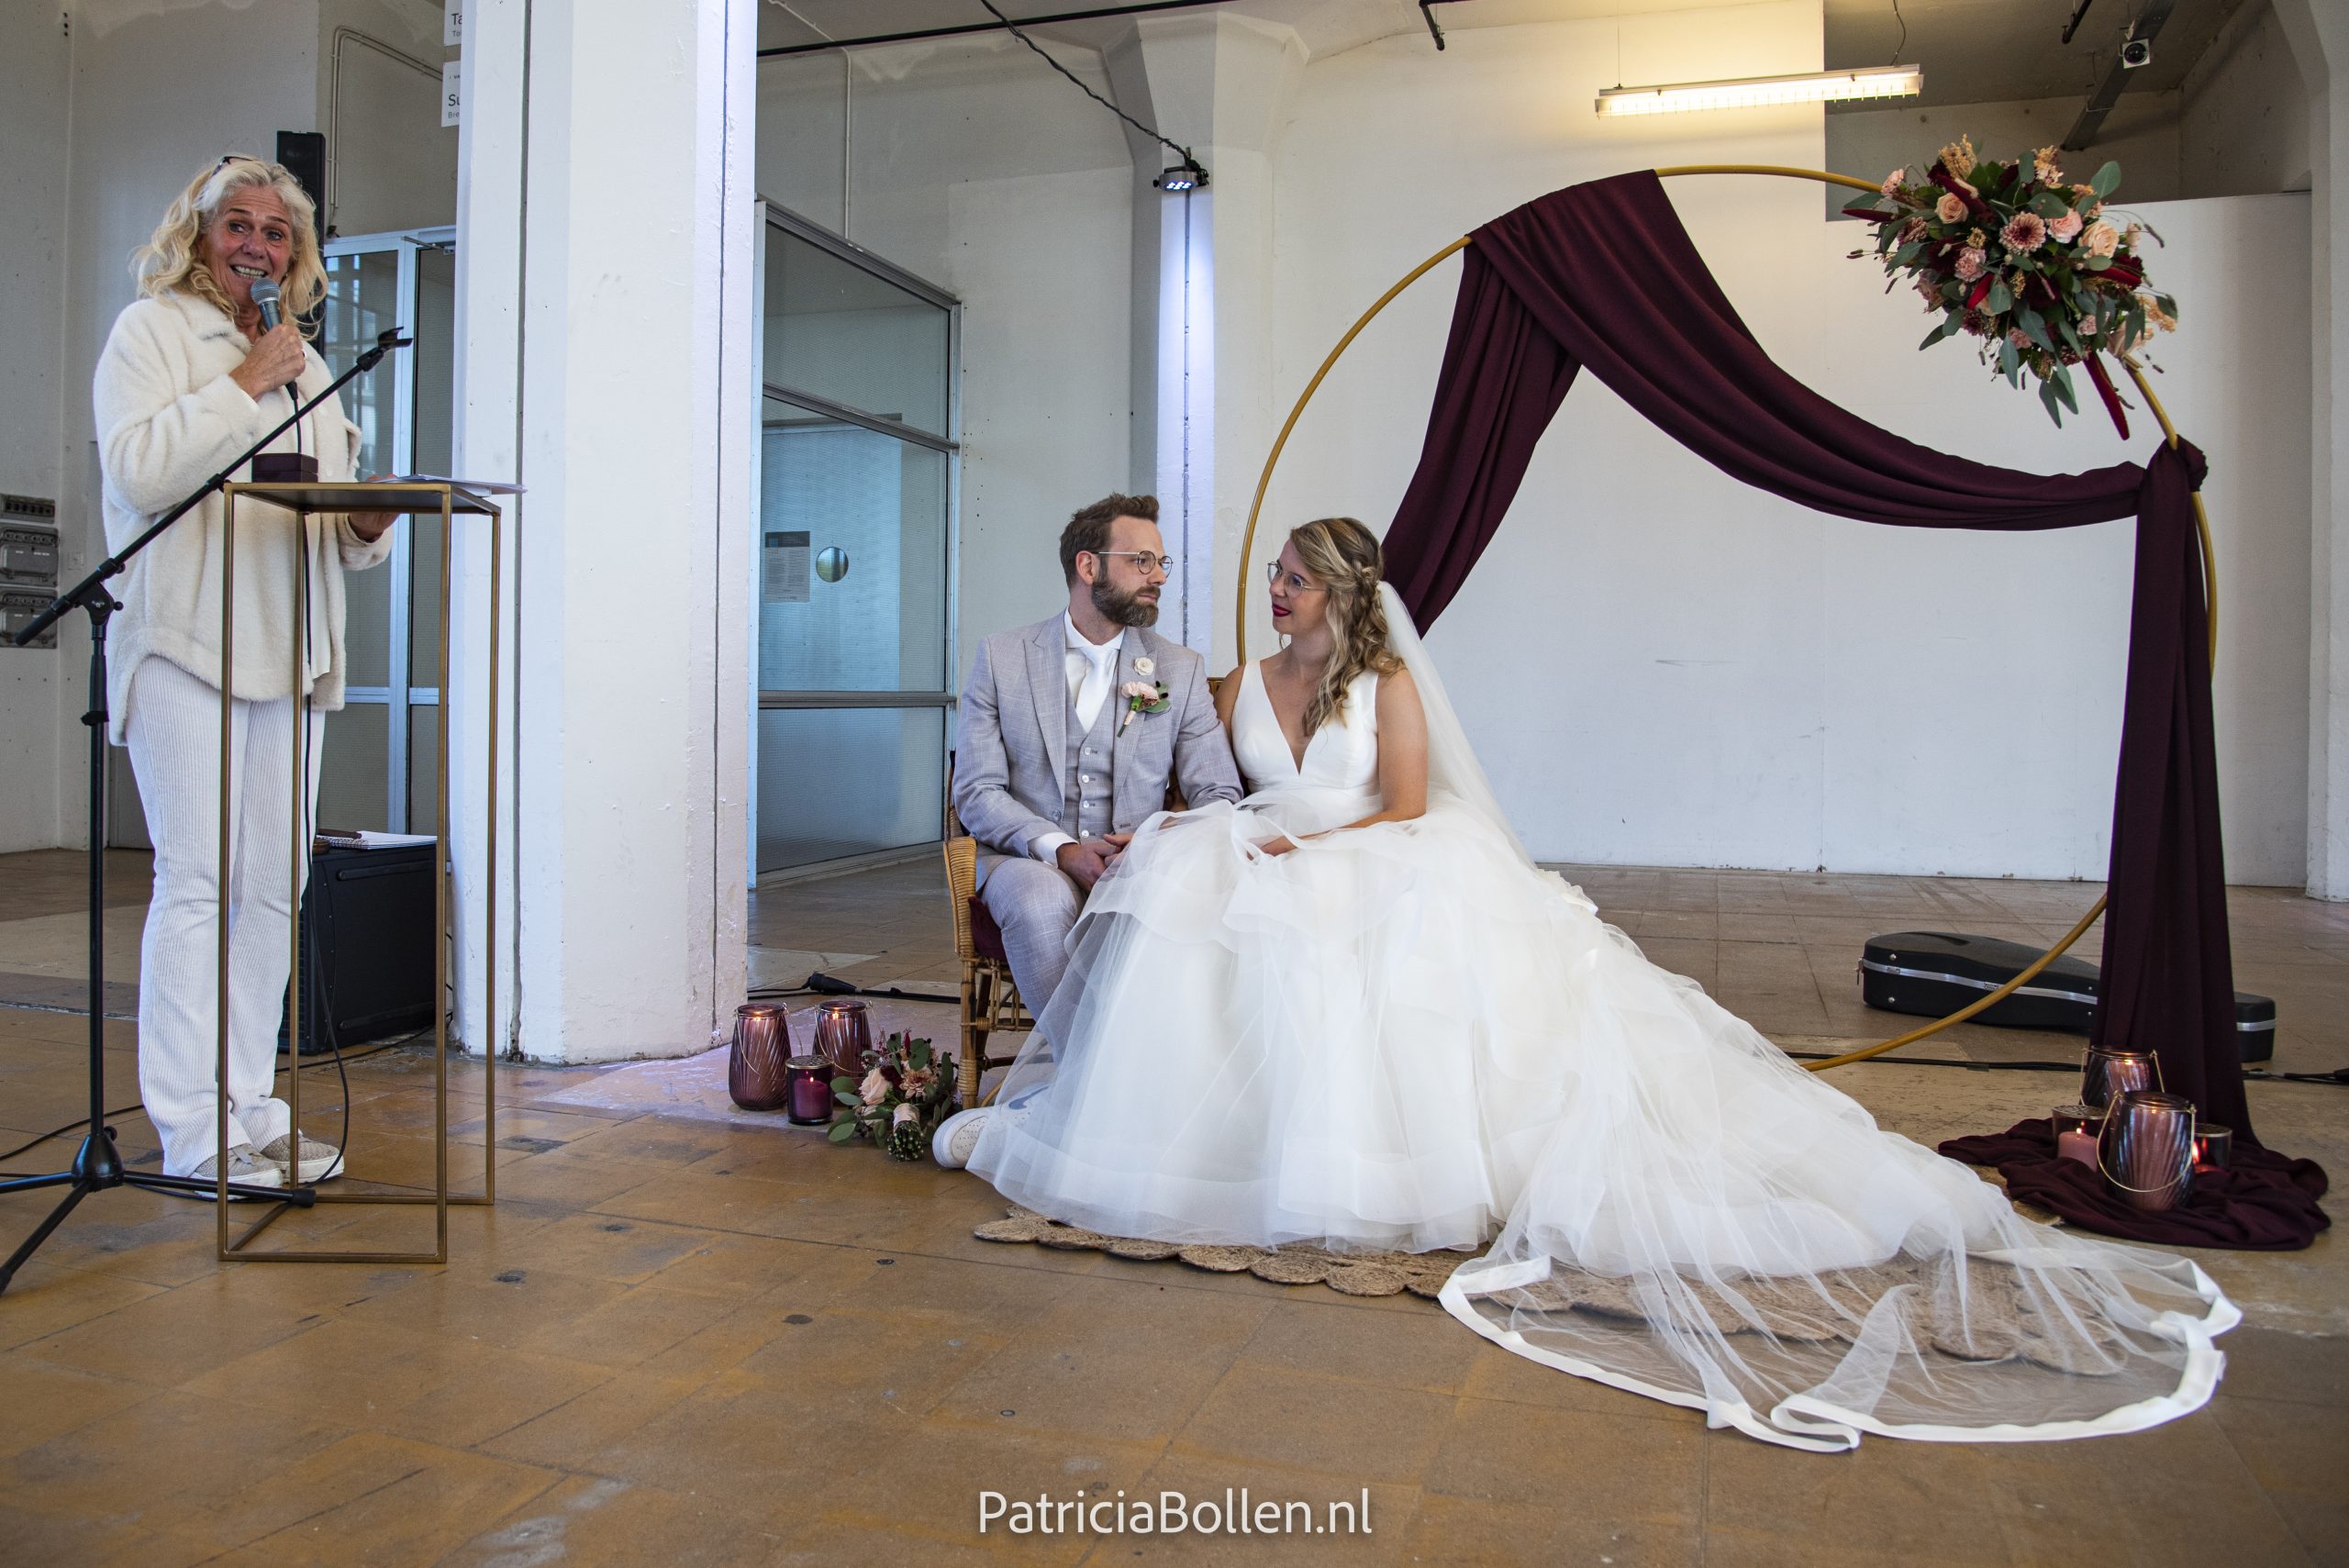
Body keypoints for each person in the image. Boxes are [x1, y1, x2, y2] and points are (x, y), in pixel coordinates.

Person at [933, 516, 2237, 1451]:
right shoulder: (1230, 683)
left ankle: (1385, 1152)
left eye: (1288, 578)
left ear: (1336, 592)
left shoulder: (1385, 682)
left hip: (1367, 850)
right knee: (1196, 912)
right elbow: (1218, 785)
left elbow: (1402, 806)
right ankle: (1192, 1123)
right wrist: (1188, 834)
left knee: (1374, 935)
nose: (1268, 591)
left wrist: (1297, 847)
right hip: (1265, 850)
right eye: (1270, 575)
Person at [96, 155, 397, 1191]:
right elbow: (139, 470)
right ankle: (192, 1132)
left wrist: (368, 522)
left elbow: (330, 520)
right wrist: (242, 384)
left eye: (276, 232)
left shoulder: (305, 364)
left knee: (273, 889)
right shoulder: (152, 333)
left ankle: (252, 1109)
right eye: (239, 225)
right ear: (199, 234)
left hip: (289, 654)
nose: (257, 246)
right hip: (187, 643)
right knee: (198, 883)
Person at [949, 493, 1242, 1028]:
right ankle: (1091, 1071)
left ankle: (1099, 1071)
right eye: (1142, 561)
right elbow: (976, 790)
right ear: (1088, 567)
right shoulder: (1001, 657)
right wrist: (1060, 850)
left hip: (1139, 861)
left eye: (1161, 562)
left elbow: (1219, 793)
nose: (1159, 576)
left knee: (1165, 902)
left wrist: (1156, 842)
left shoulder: (1179, 669)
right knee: (1041, 902)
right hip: (1027, 861)